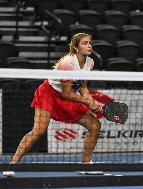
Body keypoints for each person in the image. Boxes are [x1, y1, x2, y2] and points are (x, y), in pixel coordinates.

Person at [3, 33, 102, 177]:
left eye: (89, 43)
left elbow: (82, 86)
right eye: (85, 43)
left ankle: (86, 164)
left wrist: (92, 102)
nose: (89, 46)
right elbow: (67, 93)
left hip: (67, 96)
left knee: (95, 125)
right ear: (76, 47)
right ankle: (12, 165)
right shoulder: (67, 63)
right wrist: (87, 102)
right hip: (49, 94)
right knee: (38, 130)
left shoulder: (90, 63)